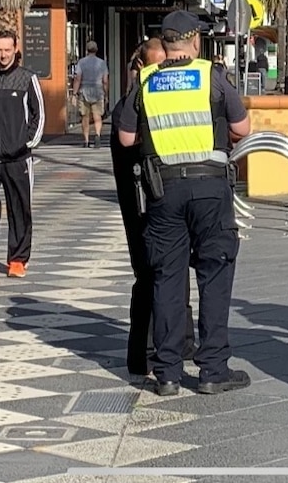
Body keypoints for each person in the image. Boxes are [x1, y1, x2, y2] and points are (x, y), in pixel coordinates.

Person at [118, 10, 252, 397]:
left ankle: (168, 374)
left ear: (165, 44)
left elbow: (126, 139)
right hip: (210, 189)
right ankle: (212, 371)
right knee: (214, 273)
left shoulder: (146, 80)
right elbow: (243, 129)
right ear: (195, 43)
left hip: (163, 192)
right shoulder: (211, 76)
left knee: (167, 279)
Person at [111, 37, 197, 376]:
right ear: (140, 68)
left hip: (170, 200)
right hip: (142, 202)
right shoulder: (130, 106)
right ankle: (143, 351)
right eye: (156, 67)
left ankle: (182, 340)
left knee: (174, 270)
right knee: (149, 272)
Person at [0, 30, 46, 281]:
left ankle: (17, 260)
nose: (3, 55)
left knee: (20, 208)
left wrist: (26, 143)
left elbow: (39, 115)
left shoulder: (27, 79)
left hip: (19, 158)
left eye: (7, 50)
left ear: (15, 49)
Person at [72, 41, 109, 148]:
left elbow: (77, 78)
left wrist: (74, 93)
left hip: (84, 91)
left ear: (86, 50)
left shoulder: (81, 62)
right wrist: (106, 94)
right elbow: (105, 80)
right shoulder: (102, 63)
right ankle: (97, 134)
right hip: (98, 90)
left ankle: (86, 140)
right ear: (96, 50)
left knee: (85, 116)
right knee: (97, 116)